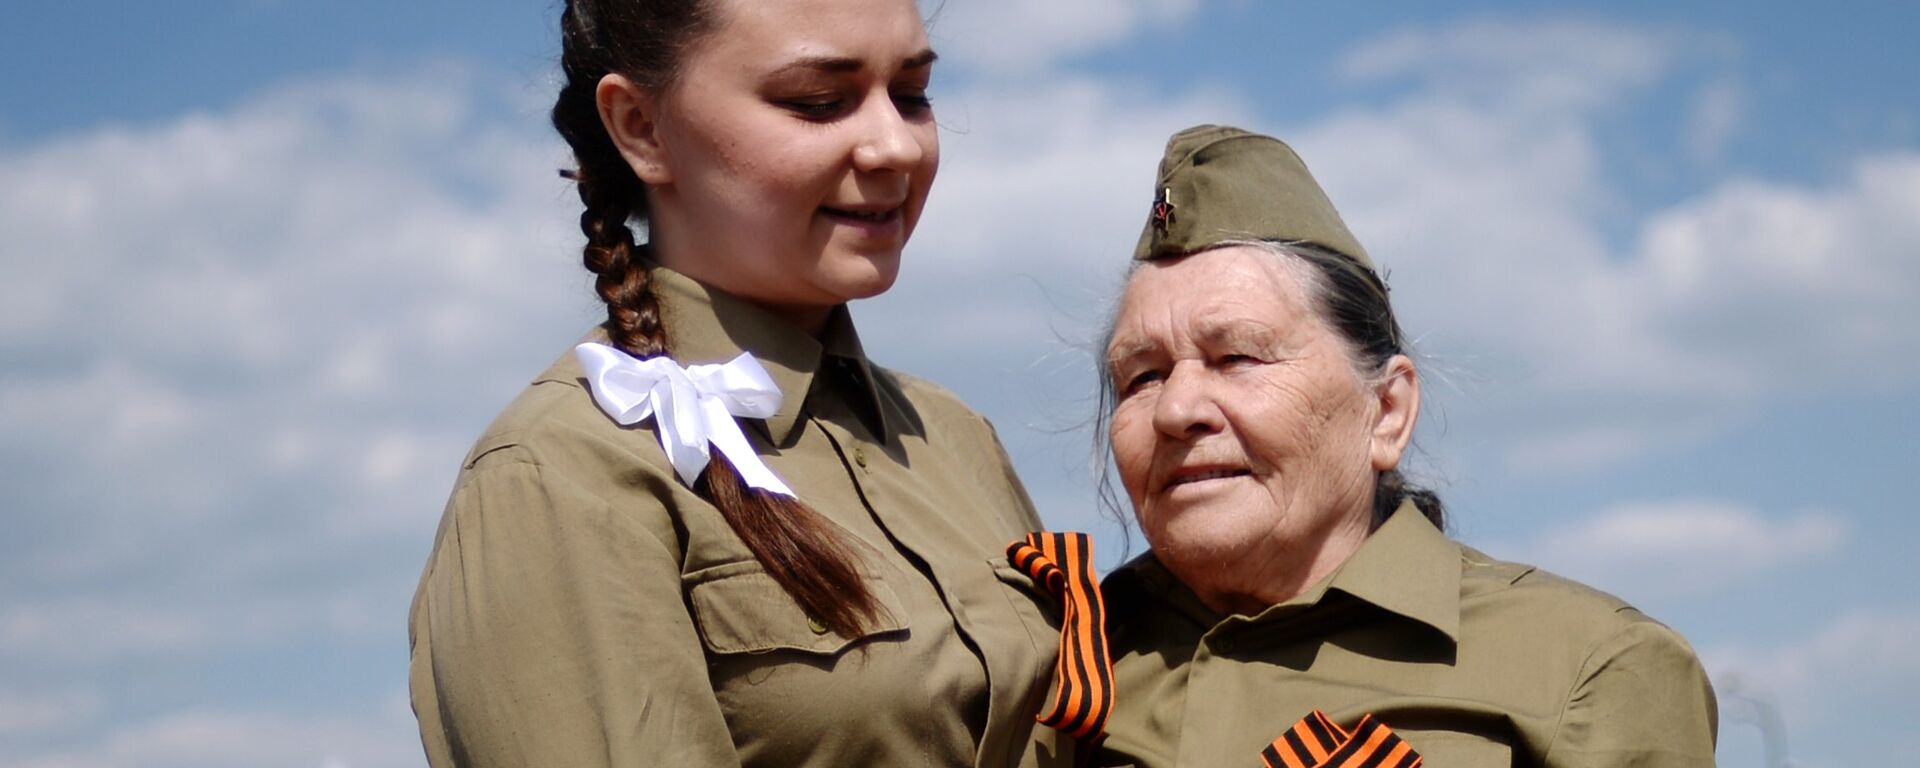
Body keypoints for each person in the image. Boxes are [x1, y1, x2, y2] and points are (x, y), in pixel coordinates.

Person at [406, 1, 1065, 765]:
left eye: (913, 95)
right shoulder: (556, 474)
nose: (895, 146)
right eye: (819, 103)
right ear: (641, 129)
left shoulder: (952, 434)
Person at [1084, 125, 1718, 767]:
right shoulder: (1061, 663)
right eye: (1142, 376)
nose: (1176, 409)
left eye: (1237, 356)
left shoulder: (1587, 667)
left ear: (1386, 411)